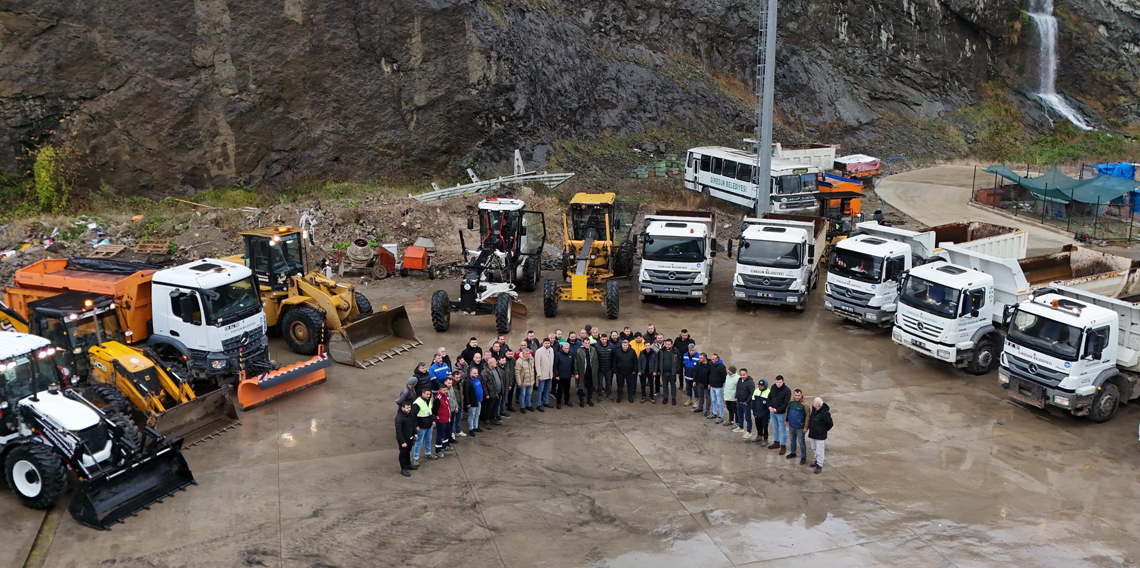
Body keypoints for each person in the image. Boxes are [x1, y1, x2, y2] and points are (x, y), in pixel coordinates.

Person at [807, 397, 833, 474]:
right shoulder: (815, 410)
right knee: (814, 448)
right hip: (813, 433)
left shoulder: (825, 414)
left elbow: (830, 424)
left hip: (820, 435)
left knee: (820, 450)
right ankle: (816, 460)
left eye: (814, 402)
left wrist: (823, 430)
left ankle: (819, 464)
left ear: (817, 405)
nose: (812, 403)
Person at [767, 375, 792, 454]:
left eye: (780, 382)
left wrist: (777, 410)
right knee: (775, 427)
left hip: (780, 413)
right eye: (777, 382)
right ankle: (776, 442)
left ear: (783, 381)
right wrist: (769, 406)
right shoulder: (773, 387)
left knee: (782, 429)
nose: (778, 384)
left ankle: (783, 445)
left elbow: (785, 403)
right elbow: (769, 397)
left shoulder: (787, 390)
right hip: (772, 412)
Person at [412, 389, 438, 464]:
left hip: (429, 425)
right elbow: (413, 416)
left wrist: (433, 421)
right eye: (427, 394)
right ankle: (415, 458)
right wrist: (416, 426)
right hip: (421, 426)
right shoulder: (417, 403)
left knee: (428, 440)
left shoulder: (429, 400)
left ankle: (428, 453)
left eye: (429, 394)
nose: (428, 396)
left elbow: (430, 411)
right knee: (418, 442)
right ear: (422, 393)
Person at [573, 336, 599, 406]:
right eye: (586, 343)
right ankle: (581, 400)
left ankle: (589, 399)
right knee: (581, 387)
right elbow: (575, 363)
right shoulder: (579, 351)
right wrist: (576, 373)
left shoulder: (593, 350)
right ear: (583, 343)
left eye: (588, 343)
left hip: (591, 372)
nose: (587, 344)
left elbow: (596, 360)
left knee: (590, 387)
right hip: (582, 372)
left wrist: (596, 370)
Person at [785, 389, 808, 463]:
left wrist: (805, 427)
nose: (797, 397)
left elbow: (807, 417)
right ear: (793, 395)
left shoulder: (805, 405)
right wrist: (786, 420)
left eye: (798, 395)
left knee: (801, 442)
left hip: (800, 428)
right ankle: (793, 453)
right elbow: (787, 411)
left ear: (801, 395)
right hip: (791, 426)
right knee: (792, 440)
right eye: (796, 395)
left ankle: (803, 456)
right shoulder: (790, 403)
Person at [613, 339, 639, 403]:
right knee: (620, 385)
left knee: (629, 385)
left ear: (628, 345)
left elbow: (635, 361)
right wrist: (615, 370)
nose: (625, 346)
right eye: (624, 345)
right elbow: (614, 361)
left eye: (626, 345)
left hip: (629, 372)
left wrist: (634, 370)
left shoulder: (632, 351)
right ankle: (619, 396)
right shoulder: (617, 351)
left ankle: (630, 396)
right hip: (620, 372)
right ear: (622, 345)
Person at [395, 402, 418, 476]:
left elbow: (413, 424)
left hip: (410, 437)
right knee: (403, 453)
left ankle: (408, 464)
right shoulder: (399, 418)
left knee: (408, 451)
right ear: (402, 408)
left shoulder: (410, 414)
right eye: (407, 408)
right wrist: (402, 441)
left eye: (410, 407)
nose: (409, 409)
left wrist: (415, 433)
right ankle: (403, 469)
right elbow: (398, 431)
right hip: (403, 440)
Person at [638, 335, 662, 403]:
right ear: (644, 346)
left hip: (651, 372)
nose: (647, 347)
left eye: (648, 345)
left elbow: (656, 362)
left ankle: (651, 396)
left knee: (651, 385)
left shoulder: (654, 353)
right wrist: (639, 370)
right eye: (646, 346)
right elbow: (639, 362)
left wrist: (655, 371)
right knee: (642, 385)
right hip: (643, 371)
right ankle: (643, 396)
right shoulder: (642, 352)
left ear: (650, 346)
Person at [553, 341, 575, 409]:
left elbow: (573, 364)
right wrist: (556, 375)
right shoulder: (558, 355)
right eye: (565, 348)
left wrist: (573, 373)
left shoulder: (571, 354)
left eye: (568, 348)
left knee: (567, 389)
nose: (567, 349)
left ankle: (567, 401)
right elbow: (555, 366)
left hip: (568, 375)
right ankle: (558, 402)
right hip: (560, 376)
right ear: (562, 348)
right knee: (560, 390)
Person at [464, 366, 485, 435]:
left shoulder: (479, 378)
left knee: (477, 414)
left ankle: (476, 426)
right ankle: (471, 429)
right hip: (472, 401)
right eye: (474, 373)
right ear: (470, 373)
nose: (476, 374)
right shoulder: (467, 381)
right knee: (471, 415)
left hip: (479, 400)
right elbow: (466, 393)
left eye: (477, 373)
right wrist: (468, 402)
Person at [594, 334, 615, 402]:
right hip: (600, 369)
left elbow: (613, 357)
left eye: (605, 339)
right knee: (600, 383)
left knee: (608, 383)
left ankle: (608, 395)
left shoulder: (611, 346)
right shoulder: (596, 346)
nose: (604, 341)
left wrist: (612, 367)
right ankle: (600, 395)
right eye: (603, 339)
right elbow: (595, 358)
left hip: (608, 368)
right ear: (600, 339)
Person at [660, 338, 681, 406]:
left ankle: (673, 398)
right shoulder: (661, 351)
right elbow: (659, 361)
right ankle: (665, 397)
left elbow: (679, 362)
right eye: (666, 344)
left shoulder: (676, 352)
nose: (667, 346)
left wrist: (678, 371)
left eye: (669, 344)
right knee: (665, 385)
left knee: (673, 386)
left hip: (672, 372)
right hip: (664, 372)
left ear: (672, 344)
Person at [535, 337, 554, 411]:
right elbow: (537, 364)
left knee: (547, 389)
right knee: (540, 390)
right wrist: (539, 375)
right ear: (543, 344)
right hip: (542, 374)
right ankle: (538, 404)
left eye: (548, 343)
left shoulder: (551, 350)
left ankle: (546, 402)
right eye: (546, 343)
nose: (547, 344)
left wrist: (551, 372)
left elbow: (551, 361)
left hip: (549, 374)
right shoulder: (539, 351)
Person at [515, 348, 537, 413]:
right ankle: (522, 407)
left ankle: (528, 405)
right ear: (523, 353)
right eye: (526, 354)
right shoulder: (519, 361)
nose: (527, 355)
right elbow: (517, 373)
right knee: (522, 394)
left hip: (531, 380)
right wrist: (519, 382)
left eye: (528, 353)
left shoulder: (532, 359)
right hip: (523, 382)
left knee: (529, 394)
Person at [436, 380, 455, 453]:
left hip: (447, 419)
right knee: (440, 435)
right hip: (441, 420)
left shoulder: (446, 396)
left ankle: (445, 445)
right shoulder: (438, 398)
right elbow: (435, 410)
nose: (445, 391)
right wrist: (437, 418)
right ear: (440, 390)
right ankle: (438, 450)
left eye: (446, 390)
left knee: (447, 433)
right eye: (443, 390)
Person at [483, 358, 503, 426]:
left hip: (498, 392)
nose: (496, 363)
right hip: (490, 393)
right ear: (490, 364)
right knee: (489, 407)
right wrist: (486, 394)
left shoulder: (497, 369)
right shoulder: (485, 372)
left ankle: (493, 418)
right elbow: (484, 384)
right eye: (494, 362)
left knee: (495, 406)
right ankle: (487, 420)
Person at [735, 369, 754, 437]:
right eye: (741, 375)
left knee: (748, 417)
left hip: (746, 403)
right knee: (739, 415)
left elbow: (752, 393)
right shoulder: (739, 380)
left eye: (744, 375)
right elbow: (737, 389)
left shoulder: (750, 382)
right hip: (739, 401)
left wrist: (747, 402)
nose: (742, 376)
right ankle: (741, 427)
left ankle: (749, 431)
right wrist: (736, 397)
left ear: (747, 374)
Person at [708, 354, 727, 423]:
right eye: (711, 359)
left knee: (720, 401)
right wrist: (710, 383)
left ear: (717, 359)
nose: (712, 360)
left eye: (713, 359)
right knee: (713, 400)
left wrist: (719, 383)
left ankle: (721, 416)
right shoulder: (711, 365)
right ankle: (714, 413)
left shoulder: (722, 367)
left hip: (718, 387)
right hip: (712, 386)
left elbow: (724, 377)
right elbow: (710, 374)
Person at [751, 379, 770, 444]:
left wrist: (767, 413)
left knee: (765, 427)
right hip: (757, 412)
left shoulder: (769, 392)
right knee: (758, 425)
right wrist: (753, 409)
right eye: (759, 385)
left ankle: (765, 439)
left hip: (765, 414)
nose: (760, 387)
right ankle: (759, 435)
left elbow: (769, 404)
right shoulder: (756, 391)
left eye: (762, 385)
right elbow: (753, 400)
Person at [451, 370, 466, 438]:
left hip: (460, 404)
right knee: (453, 420)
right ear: (453, 377)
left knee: (458, 419)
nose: (458, 379)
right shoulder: (450, 386)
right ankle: (452, 432)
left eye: (459, 377)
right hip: (454, 406)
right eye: (456, 378)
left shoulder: (460, 383)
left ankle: (458, 431)